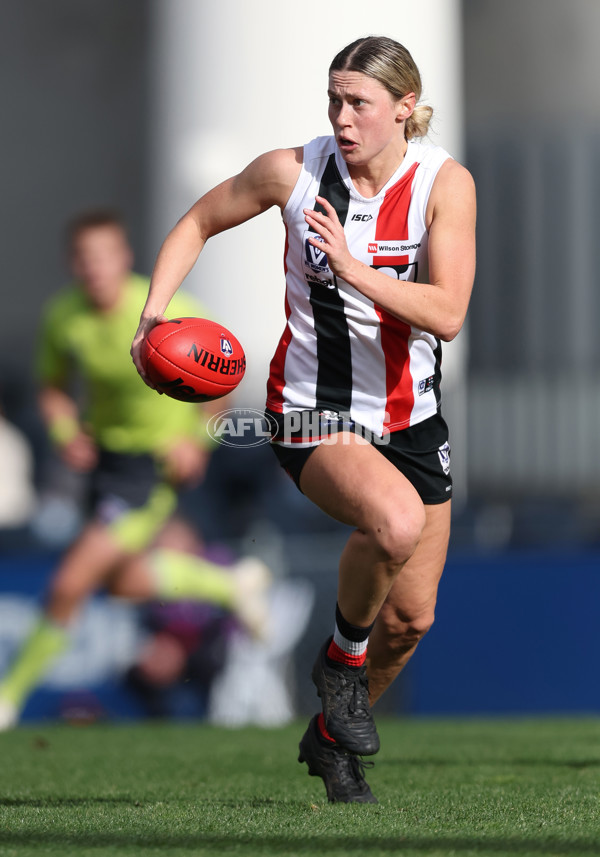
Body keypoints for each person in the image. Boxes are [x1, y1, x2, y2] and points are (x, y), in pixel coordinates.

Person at [131, 36, 476, 803]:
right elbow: (196, 221)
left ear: (405, 108)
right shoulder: (292, 170)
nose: (342, 117)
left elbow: (448, 313)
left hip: (412, 421)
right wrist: (152, 316)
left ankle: (328, 737)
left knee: (412, 619)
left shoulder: (444, 185)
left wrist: (356, 270)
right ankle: (341, 660)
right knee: (391, 524)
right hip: (310, 408)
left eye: (359, 103)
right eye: (334, 100)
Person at [0, 210, 270, 730]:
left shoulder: (167, 313)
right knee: (123, 583)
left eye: (103, 256)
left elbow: (225, 381)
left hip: (150, 471)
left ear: (124, 259)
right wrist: (63, 432)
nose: (94, 268)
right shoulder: (65, 317)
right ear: (72, 263)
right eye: (84, 258)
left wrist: (195, 443)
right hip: (105, 465)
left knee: (70, 581)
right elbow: (52, 389)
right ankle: (229, 585)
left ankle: (8, 697)